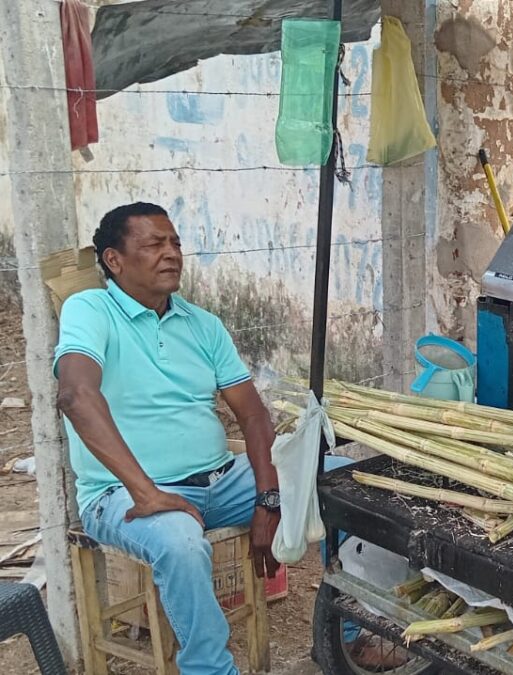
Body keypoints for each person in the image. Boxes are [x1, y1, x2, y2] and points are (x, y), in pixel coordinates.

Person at [54, 202, 349, 674]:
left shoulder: (202, 323)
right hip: (123, 495)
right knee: (181, 544)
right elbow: (75, 395)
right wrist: (147, 492)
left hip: (220, 480)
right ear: (114, 260)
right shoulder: (90, 310)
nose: (171, 253)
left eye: (175, 243)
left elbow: (253, 415)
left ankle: (351, 634)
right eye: (153, 244)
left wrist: (268, 498)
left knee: (345, 484)